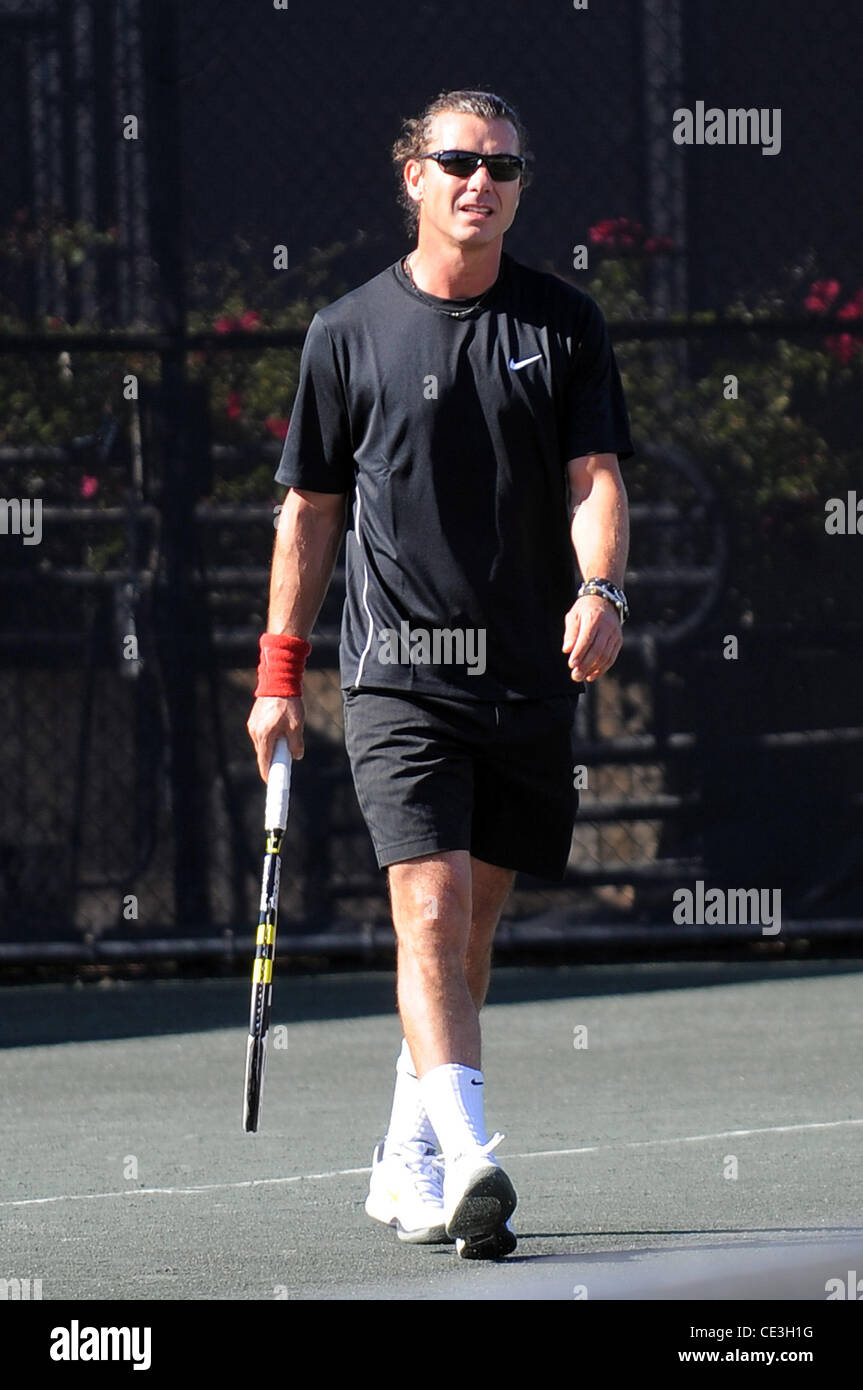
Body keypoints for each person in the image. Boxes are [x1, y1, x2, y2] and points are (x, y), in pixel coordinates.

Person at [247, 88, 633, 1260]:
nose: (483, 183)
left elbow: (593, 480)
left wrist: (600, 591)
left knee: (468, 938)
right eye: (459, 162)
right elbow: (307, 513)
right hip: (395, 674)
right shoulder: (345, 334)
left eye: (505, 169)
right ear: (411, 176)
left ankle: (405, 1150)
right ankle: (469, 1156)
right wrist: (278, 672)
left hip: (523, 675)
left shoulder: (562, 324)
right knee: (430, 905)